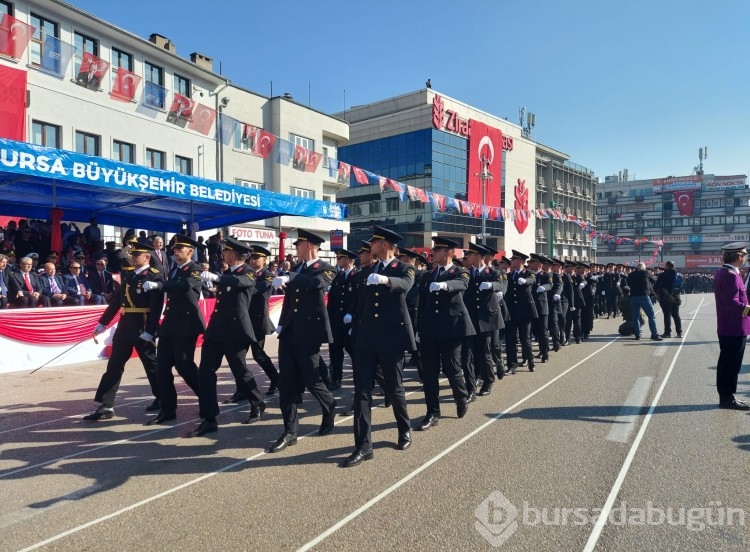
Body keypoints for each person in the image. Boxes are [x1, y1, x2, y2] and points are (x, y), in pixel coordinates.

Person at [342, 227, 415, 467]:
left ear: (385, 245)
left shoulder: (404, 268)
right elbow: (360, 302)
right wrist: (353, 320)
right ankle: (363, 446)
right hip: (366, 339)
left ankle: (404, 429)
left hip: (391, 339)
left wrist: (386, 280)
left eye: (374, 242)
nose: (370, 245)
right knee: (361, 392)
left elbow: (405, 284)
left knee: (394, 388)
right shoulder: (366, 271)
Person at [267, 229, 337, 453]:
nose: (296, 249)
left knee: (311, 378)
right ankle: (290, 431)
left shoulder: (326, 268)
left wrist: (292, 277)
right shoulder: (297, 269)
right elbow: (289, 299)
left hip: (309, 332)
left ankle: (329, 407)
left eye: (298, 245)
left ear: (309, 246)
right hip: (290, 330)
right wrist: (281, 322)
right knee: (286, 382)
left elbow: (317, 284)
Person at [190, 237, 266, 437]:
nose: (223, 255)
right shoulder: (227, 273)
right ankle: (208, 418)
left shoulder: (248, 273)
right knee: (206, 372)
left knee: (240, 370)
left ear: (232, 254)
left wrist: (217, 278)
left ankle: (257, 402)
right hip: (216, 330)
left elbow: (241, 282)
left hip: (236, 331)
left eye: (226, 252)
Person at [83, 241, 164, 420]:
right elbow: (117, 302)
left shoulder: (153, 276)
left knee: (151, 365)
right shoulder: (129, 276)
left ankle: (163, 397)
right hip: (125, 326)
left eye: (137, 255)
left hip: (142, 326)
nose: (133, 257)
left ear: (147, 257)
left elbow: (156, 307)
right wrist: (102, 323)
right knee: (114, 365)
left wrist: (150, 330)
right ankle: (106, 405)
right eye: (132, 255)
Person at [142, 235, 205, 425]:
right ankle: (168, 410)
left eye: (180, 249)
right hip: (170, 325)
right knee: (162, 369)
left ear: (190, 252)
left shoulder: (195, 269)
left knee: (185, 367)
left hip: (186, 325)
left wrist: (159, 284)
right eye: (175, 250)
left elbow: (185, 286)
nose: (176, 252)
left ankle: (206, 399)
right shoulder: (175, 270)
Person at [416, 236, 474, 431]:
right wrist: (418, 329)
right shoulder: (427, 275)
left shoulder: (460, 272)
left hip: (452, 329)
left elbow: (462, 284)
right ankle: (432, 412)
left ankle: (461, 397)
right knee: (429, 373)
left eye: (438, 250)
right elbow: (422, 305)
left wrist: (445, 285)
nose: (433, 254)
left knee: (452, 368)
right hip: (430, 330)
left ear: (449, 253)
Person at [464, 243, 505, 396]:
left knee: (484, 352)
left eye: (470, 254)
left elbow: (500, 283)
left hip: (487, 319)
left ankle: (488, 380)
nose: (467, 257)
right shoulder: (467, 273)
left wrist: (491, 285)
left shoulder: (492, 272)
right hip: (471, 318)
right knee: (469, 352)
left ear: (479, 256)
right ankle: (474, 378)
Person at [713, 242, 750, 410]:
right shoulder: (730, 275)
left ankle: (728, 396)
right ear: (739, 256)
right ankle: (727, 398)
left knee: (729, 363)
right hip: (734, 327)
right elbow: (733, 303)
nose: (746, 257)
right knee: (730, 364)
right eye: (744, 254)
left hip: (730, 327)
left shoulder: (727, 272)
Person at [246, 245, 281, 396]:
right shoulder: (249, 274)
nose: (252, 261)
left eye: (256, 258)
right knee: (237, 356)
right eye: (251, 258)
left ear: (264, 260)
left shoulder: (268, 275)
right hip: (244, 320)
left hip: (257, 320)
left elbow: (255, 290)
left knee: (258, 354)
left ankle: (276, 380)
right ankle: (243, 388)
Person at [326, 248, 358, 391]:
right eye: (338, 258)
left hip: (351, 322)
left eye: (340, 258)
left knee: (355, 353)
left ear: (349, 260)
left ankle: (361, 379)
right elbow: (332, 299)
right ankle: (336, 379)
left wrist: (351, 313)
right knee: (335, 353)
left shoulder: (356, 275)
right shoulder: (337, 276)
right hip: (337, 321)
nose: (338, 261)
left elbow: (358, 298)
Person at [504, 250, 538, 373]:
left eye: (513, 259)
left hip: (525, 311)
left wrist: (525, 281)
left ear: (520, 261)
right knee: (510, 339)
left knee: (525, 339)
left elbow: (532, 280)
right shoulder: (508, 275)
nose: (511, 261)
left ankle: (530, 360)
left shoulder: (529, 273)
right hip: (511, 312)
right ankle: (512, 365)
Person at [626, 262, 662, 341]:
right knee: (651, 316)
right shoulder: (645, 272)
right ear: (643, 267)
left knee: (635, 318)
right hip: (644, 296)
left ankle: (637, 335)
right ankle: (654, 334)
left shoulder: (631, 275)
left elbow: (629, 284)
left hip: (633, 297)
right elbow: (654, 281)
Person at [655, 260, 683, 338]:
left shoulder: (662, 275)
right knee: (676, 315)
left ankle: (667, 333)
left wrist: (657, 294)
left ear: (666, 266)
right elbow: (680, 287)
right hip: (676, 297)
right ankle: (679, 332)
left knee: (667, 315)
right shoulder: (679, 275)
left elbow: (657, 286)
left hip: (666, 297)